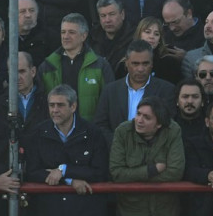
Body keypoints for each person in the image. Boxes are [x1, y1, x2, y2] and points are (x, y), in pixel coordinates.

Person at [25, 84, 109, 216]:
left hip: (84, 208)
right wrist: (70, 181)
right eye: (52, 105)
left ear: (73, 106)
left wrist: (64, 170)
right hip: (49, 208)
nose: (55, 110)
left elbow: (100, 172)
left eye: (60, 105)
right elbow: (31, 172)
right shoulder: (38, 133)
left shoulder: (93, 133)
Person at [109, 96, 185, 216]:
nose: (139, 120)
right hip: (131, 209)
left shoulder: (173, 130)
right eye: (138, 114)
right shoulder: (123, 131)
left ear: (159, 123)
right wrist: (151, 170)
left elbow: (175, 172)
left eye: (147, 117)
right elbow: (117, 173)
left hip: (165, 209)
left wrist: (132, 176)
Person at [94, 40, 176, 145]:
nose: (140, 69)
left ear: (152, 64)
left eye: (145, 63)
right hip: (116, 153)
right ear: (126, 63)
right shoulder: (110, 91)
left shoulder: (166, 90)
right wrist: (119, 145)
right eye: (135, 64)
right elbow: (100, 125)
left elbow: (167, 126)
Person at [38, 13, 114, 122]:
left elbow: (109, 102)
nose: (66, 36)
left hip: (90, 132)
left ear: (84, 36)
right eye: (63, 32)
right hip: (56, 131)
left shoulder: (100, 65)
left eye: (71, 32)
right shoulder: (47, 66)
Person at [89, 0, 136, 71]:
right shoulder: (92, 37)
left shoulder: (134, 38)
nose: (107, 20)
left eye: (112, 14)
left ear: (122, 14)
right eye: (103, 16)